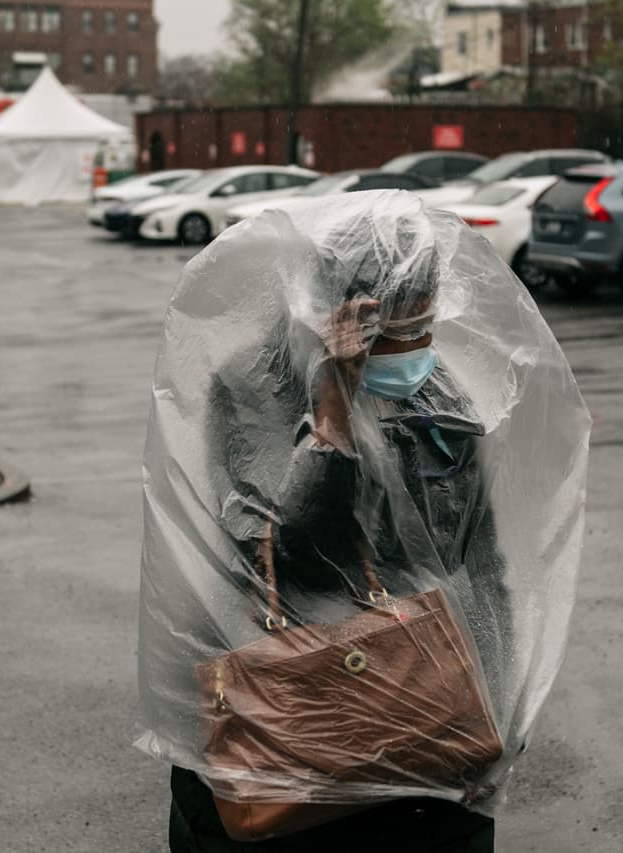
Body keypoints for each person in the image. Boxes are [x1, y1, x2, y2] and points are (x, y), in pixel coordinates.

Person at [137, 191, 590, 853]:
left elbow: (482, 562)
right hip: (295, 724)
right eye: (395, 334)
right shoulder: (254, 385)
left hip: (429, 723)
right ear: (337, 312)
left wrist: (500, 706)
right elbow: (285, 555)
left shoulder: (438, 396)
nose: (417, 351)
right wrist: (333, 411)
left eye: (426, 327)